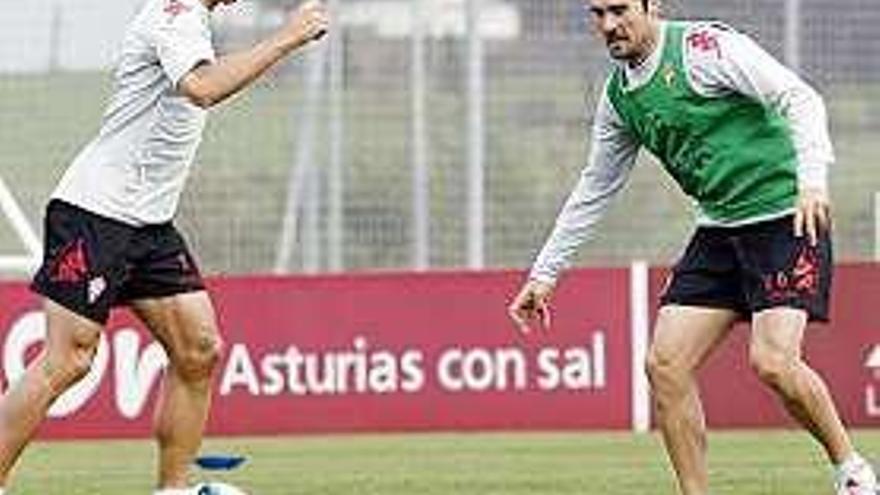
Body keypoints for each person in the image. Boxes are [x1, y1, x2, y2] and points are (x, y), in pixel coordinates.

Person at [507, 0, 877, 494]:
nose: (609, 24)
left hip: (785, 216)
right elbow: (594, 188)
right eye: (597, 13)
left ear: (651, 5)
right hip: (720, 230)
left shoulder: (705, 47)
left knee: (772, 362)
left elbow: (800, 97)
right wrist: (544, 274)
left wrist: (812, 181)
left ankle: (851, 471)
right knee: (664, 364)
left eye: (619, 10)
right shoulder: (619, 97)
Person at [0, 0, 328, 493]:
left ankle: (172, 492)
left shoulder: (192, 20)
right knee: (67, 360)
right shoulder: (173, 15)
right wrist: (287, 37)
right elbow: (202, 87)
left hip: (149, 225)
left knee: (199, 350)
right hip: (96, 214)